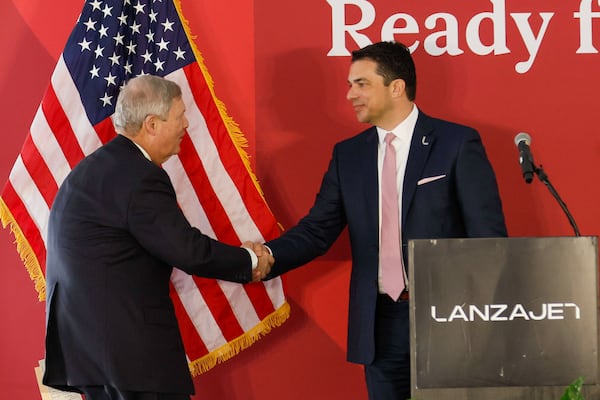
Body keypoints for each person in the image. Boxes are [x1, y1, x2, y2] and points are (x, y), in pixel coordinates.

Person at [259, 41, 507, 399]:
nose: (349, 95)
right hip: (379, 326)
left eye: (361, 83)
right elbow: (317, 230)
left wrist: (481, 322)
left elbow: (488, 240)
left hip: (450, 322)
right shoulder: (349, 155)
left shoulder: (456, 143)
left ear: (396, 87)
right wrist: (266, 257)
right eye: (349, 84)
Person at [42, 75, 272, 400]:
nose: (187, 124)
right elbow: (188, 251)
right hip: (129, 354)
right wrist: (249, 261)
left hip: (91, 352)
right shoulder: (139, 175)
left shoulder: (91, 171)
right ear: (152, 124)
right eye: (179, 116)